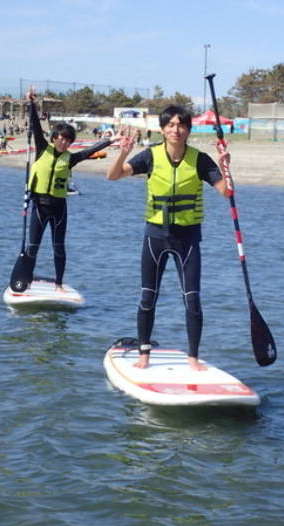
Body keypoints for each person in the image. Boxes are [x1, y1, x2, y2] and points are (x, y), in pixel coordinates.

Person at [106, 105, 230, 371]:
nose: (176, 129)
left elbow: (226, 193)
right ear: (163, 129)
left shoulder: (200, 159)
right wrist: (124, 154)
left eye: (181, 124)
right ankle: (144, 354)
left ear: (188, 129)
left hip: (188, 239)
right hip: (155, 238)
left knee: (193, 299)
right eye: (171, 125)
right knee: (148, 297)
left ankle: (193, 358)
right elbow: (113, 175)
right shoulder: (149, 156)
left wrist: (225, 168)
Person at [24, 88, 112, 291]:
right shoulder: (42, 149)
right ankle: (27, 280)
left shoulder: (70, 158)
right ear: (54, 137)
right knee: (33, 247)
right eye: (61, 138)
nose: (63, 142)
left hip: (58, 208)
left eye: (68, 140)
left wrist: (110, 141)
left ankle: (58, 284)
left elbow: (89, 151)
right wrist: (31, 103)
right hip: (38, 206)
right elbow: (36, 126)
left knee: (58, 248)